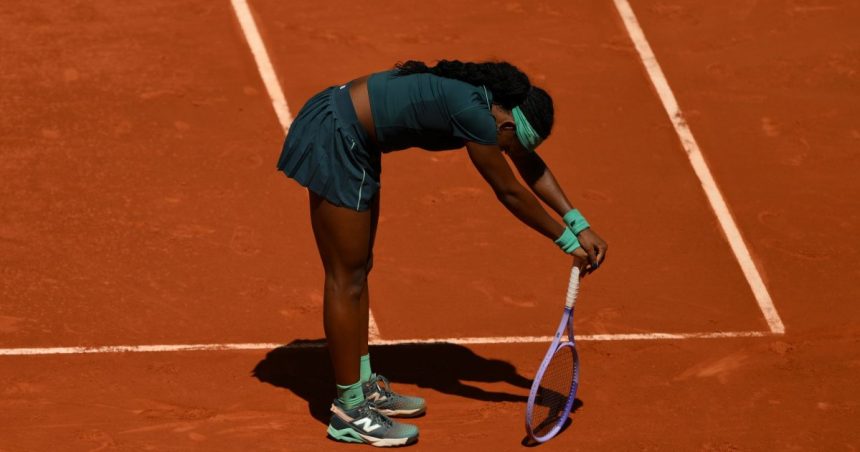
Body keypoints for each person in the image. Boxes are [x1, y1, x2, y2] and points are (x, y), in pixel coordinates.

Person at [277, 60, 608, 447]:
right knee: (344, 276)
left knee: (359, 267)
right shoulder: (476, 115)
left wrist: (578, 222)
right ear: (504, 128)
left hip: (355, 138)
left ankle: (364, 387)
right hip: (337, 136)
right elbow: (510, 190)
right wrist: (566, 241)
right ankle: (349, 411)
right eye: (509, 146)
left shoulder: (489, 104)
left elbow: (528, 166)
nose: (508, 153)